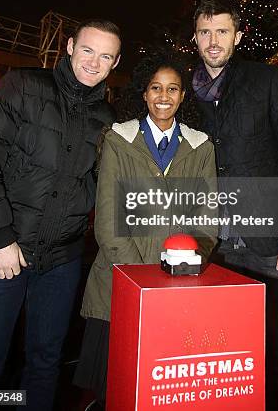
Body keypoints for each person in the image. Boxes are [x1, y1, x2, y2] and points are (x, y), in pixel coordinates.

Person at [0, 18, 121, 411]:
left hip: (60, 263)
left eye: (105, 56)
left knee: (44, 366)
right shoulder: (22, 87)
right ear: (68, 47)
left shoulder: (109, 122)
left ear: (114, 64)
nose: (93, 63)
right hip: (3, 255)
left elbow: (110, 189)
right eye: (87, 50)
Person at [74, 51, 217, 410]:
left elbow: (206, 219)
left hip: (178, 285)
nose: (163, 96)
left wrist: (183, 266)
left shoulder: (201, 147)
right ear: (144, 93)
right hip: (120, 280)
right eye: (156, 88)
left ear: (183, 96)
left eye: (172, 89)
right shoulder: (118, 140)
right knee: (116, 388)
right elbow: (107, 218)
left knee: (162, 389)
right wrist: (139, 277)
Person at [191, 0, 278, 411]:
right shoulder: (187, 94)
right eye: (205, 31)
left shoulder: (267, 81)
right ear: (195, 37)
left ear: (237, 37)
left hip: (269, 242)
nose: (213, 41)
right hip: (212, 247)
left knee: (277, 353)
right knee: (221, 356)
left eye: (222, 31)